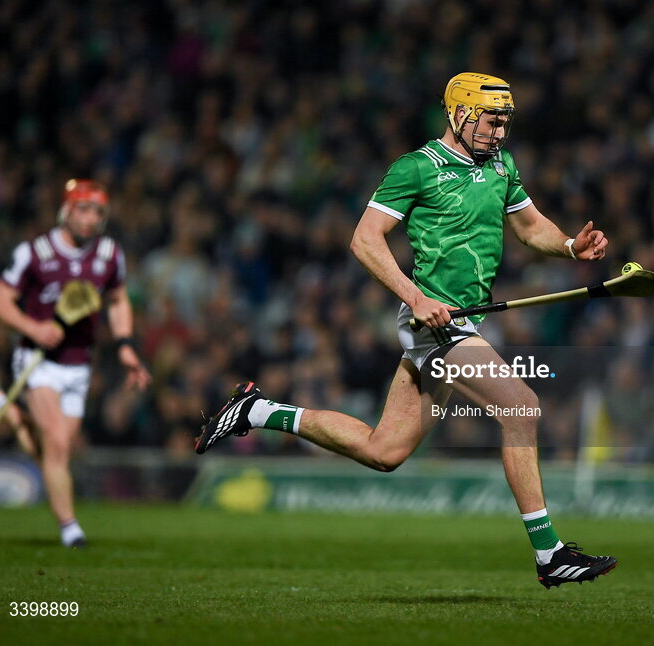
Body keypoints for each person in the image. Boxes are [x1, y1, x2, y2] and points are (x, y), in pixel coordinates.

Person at [196, 72, 618, 587]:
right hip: (432, 326)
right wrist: (415, 297)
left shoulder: (502, 165)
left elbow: (531, 228)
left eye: (505, 122)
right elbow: (365, 240)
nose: (500, 132)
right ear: (459, 115)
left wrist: (572, 247)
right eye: (491, 120)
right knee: (522, 406)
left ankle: (258, 410)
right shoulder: (416, 168)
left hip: (464, 321)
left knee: (384, 451)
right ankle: (550, 555)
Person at [0, 179, 151, 547]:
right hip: (38, 360)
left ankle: (6, 410)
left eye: (98, 212)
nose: (91, 218)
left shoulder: (109, 254)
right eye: (83, 209)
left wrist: (124, 345)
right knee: (57, 444)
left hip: (79, 364)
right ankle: (71, 529)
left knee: (56, 449)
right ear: (66, 211)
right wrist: (33, 327)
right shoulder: (35, 252)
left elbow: (119, 300)